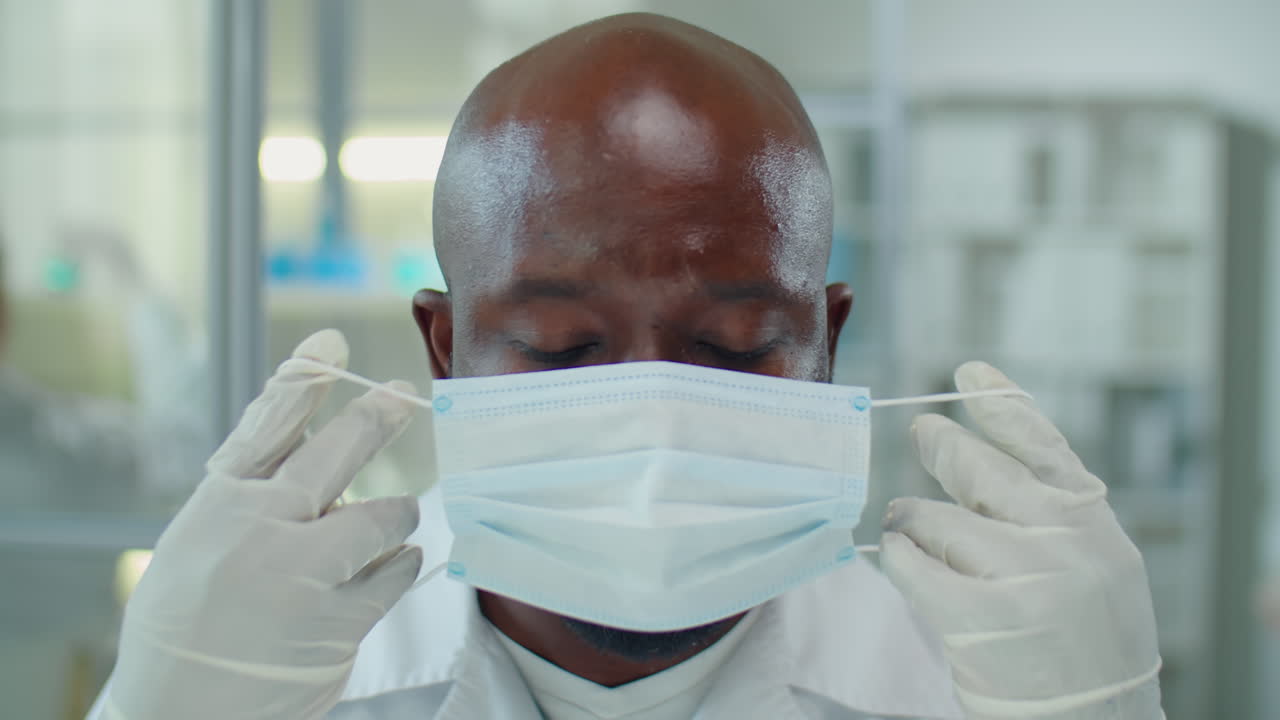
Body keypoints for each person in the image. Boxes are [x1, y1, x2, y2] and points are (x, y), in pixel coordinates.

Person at [89, 13, 1163, 720]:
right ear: (444, 348)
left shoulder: (967, 685)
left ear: (826, 342)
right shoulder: (277, 675)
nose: (653, 423)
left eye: (731, 348)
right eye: (562, 347)